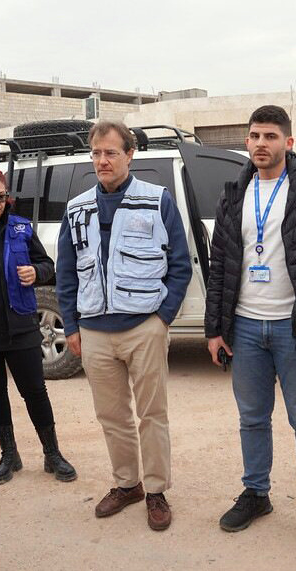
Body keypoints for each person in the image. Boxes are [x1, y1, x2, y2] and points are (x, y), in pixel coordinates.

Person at [204, 105, 296, 548]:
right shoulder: (233, 195)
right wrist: (215, 329)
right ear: (246, 143)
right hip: (245, 326)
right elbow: (219, 264)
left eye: (270, 136)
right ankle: (256, 493)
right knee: (252, 418)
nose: (261, 144)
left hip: (295, 328)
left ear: (289, 142)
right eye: (254, 136)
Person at [55, 121, 192, 530]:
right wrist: (73, 327)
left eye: (111, 152)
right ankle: (126, 484)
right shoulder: (76, 208)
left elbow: (180, 265)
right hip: (95, 332)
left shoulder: (157, 200)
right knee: (111, 416)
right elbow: (67, 273)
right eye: (96, 153)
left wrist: (161, 319)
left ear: (129, 155)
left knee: (153, 414)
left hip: (143, 328)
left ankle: (155, 491)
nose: (102, 160)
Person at [0, 161, 76, 486]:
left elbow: (47, 265)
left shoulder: (21, 229)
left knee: (35, 390)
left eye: (1, 197)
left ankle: (52, 453)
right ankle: (9, 455)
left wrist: (37, 273)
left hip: (19, 326)